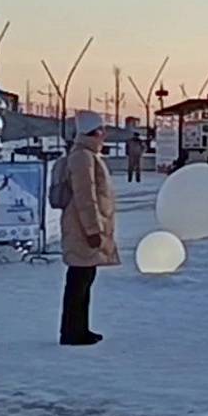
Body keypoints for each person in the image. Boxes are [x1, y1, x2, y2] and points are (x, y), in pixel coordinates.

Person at [60, 111, 119, 346]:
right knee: (79, 281)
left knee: (84, 279)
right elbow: (86, 197)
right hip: (82, 230)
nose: (104, 134)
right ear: (93, 132)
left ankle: (79, 328)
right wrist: (93, 230)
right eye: (101, 130)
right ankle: (73, 332)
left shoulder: (88, 155)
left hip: (83, 228)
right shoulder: (83, 158)